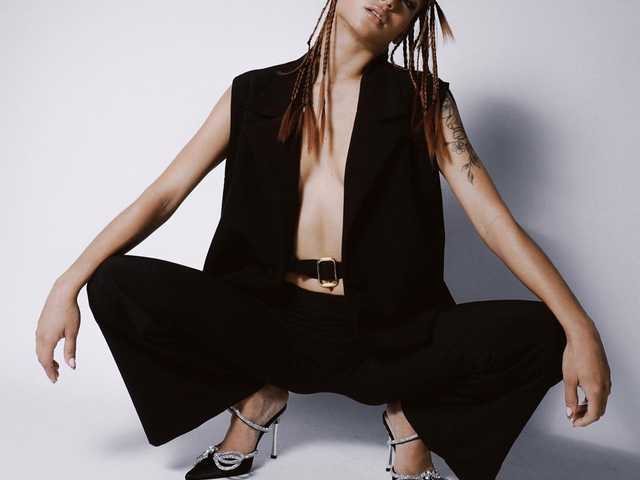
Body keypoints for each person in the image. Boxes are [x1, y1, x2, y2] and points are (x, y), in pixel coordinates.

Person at [35, 1, 612, 479]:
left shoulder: (426, 103)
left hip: (388, 336)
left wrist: (581, 328)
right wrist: (67, 284)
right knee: (115, 282)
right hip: (269, 324)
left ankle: (412, 423)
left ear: (413, 22)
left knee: (545, 332)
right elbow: (164, 195)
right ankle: (257, 399)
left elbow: (493, 222)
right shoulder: (252, 94)